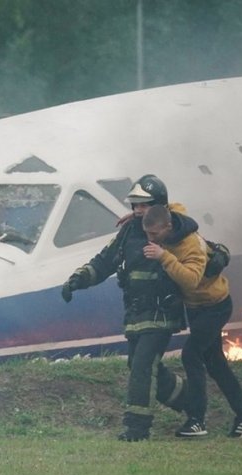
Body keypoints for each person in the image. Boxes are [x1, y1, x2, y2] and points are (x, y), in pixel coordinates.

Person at [61, 175, 188, 441]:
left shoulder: (173, 228)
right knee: (139, 364)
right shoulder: (129, 231)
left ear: (159, 205)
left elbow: (190, 233)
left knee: (142, 366)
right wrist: (78, 279)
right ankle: (191, 400)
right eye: (135, 205)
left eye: (145, 205)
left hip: (161, 314)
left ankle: (136, 429)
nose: (138, 210)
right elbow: (105, 261)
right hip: (135, 314)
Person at [141, 203, 242, 439]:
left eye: (154, 234)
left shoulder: (191, 246)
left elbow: (191, 280)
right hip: (196, 308)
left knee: (191, 355)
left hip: (214, 307)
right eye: (147, 233)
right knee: (215, 364)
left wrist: (164, 257)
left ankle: (196, 420)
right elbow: (168, 205)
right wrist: (137, 214)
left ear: (168, 227)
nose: (150, 239)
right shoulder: (171, 218)